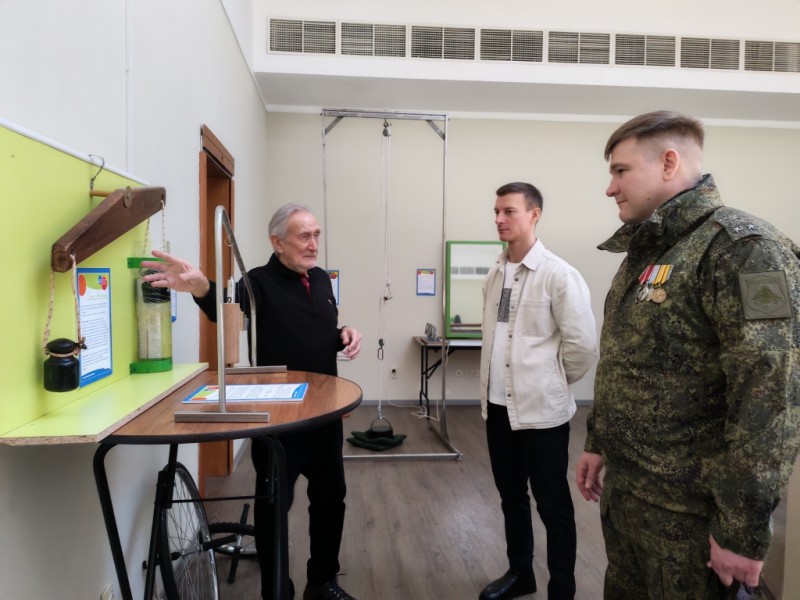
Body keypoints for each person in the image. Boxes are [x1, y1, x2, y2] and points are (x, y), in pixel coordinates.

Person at [576, 110, 800, 598]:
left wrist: (741, 530)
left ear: (668, 163)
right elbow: (625, 362)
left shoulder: (744, 250)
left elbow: (770, 397)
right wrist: (598, 440)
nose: (610, 188)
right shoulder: (651, 250)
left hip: (691, 520)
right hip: (630, 500)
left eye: (620, 171)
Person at [142, 203, 362, 600]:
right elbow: (223, 306)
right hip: (280, 420)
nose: (314, 244)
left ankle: (323, 582)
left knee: (331, 500)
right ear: (277, 242)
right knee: (273, 506)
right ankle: (276, 590)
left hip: (324, 415)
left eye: (316, 235)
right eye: (304, 236)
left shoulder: (320, 280)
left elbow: (314, 331)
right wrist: (201, 286)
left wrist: (343, 333)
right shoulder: (256, 282)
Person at [479, 182, 598, 600]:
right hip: (497, 409)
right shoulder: (495, 273)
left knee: (553, 505)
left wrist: (551, 382)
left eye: (509, 211)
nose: (499, 219)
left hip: (542, 413)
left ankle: (561, 589)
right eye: (496, 211)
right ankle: (520, 573)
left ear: (534, 215)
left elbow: (582, 347)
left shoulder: (558, 274)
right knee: (511, 496)